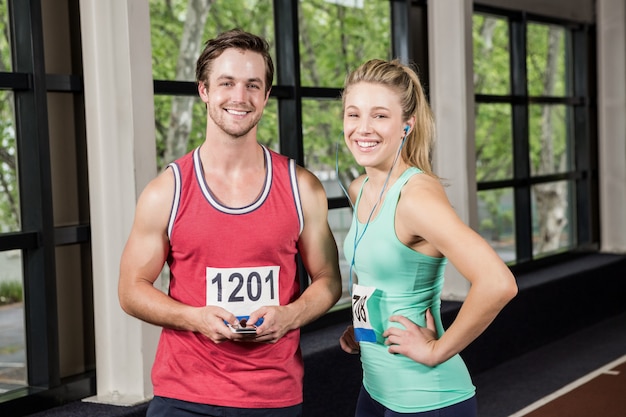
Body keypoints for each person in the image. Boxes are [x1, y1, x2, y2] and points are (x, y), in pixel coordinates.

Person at [118, 28, 342, 417]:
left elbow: (328, 280)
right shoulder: (166, 192)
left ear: (266, 96)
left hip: (274, 395)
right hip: (184, 396)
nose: (240, 97)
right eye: (227, 83)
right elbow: (130, 290)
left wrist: (290, 315)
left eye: (253, 85)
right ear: (204, 90)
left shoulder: (301, 187)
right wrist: (194, 318)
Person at [338, 58, 518, 417]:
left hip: (427, 398)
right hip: (376, 389)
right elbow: (383, 271)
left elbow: (499, 283)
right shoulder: (361, 188)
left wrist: (437, 350)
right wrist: (362, 322)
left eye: (380, 116)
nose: (363, 128)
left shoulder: (416, 197)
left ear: (408, 125)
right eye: (353, 114)